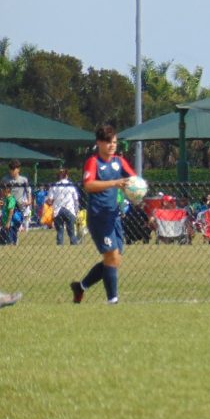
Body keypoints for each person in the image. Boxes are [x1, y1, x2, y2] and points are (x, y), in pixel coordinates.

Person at [70, 125, 135, 305]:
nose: (112, 145)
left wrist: (137, 188)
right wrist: (115, 183)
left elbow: (133, 179)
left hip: (114, 216)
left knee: (114, 259)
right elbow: (88, 185)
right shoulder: (93, 161)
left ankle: (80, 287)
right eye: (108, 142)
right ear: (99, 142)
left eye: (114, 142)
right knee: (111, 256)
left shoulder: (119, 161)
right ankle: (112, 300)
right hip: (98, 217)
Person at [49, 167, 81, 245]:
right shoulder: (71, 186)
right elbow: (76, 199)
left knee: (60, 230)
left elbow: (50, 200)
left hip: (57, 210)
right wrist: (77, 210)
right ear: (66, 175)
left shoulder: (54, 186)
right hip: (69, 209)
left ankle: (60, 244)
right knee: (71, 231)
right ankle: (73, 243)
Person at [2, 159, 31, 234]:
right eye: (10, 169)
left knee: (16, 224)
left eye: (13, 169)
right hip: (9, 205)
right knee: (8, 224)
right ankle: (9, 240)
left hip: (19, 206)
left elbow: (28, 191)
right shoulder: (5, 179)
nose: (11, 171)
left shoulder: (23, 180)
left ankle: (14, 240)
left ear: (18, 169)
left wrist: (29, 201)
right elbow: (2, 192)